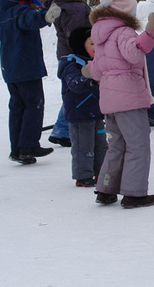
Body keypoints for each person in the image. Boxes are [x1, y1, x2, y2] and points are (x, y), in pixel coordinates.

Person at [85, 0, 154, 209]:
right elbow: (134, 53)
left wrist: (89, 69)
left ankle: (106, 188)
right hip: (128, 96)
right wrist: (149, 33)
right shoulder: (123, 31)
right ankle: (134, 194)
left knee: (116, 144)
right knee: (138, 144)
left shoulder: (99, 35)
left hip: (108, 99)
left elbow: (97, 71)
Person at [0, 0, 62, 164]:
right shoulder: (19, 11)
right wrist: (45, 17)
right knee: (33, 105)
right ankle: (29, 145)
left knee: (17, 107)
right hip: (26, 66)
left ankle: (18, 149)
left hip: (10, 67)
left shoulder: (0, 11)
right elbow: (29, 20)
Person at [57, 26, 107, 187]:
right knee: (83, 146)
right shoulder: (71, 64)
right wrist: (87, 75)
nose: (96, 48)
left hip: (97, 112)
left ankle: (102, 172)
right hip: (80, 113)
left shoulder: (96, 63)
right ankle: (83, 175)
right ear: (81, 45)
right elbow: (75, 85)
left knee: (101, 145)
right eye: (92, 44)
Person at [46, 0, 92, 147]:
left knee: (71, 92)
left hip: (66, 55)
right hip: (77, 56)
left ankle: (62, 130)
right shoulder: (74, 9)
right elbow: (78, 34)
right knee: (76, 93)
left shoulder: (61, 6)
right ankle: (62, 130)